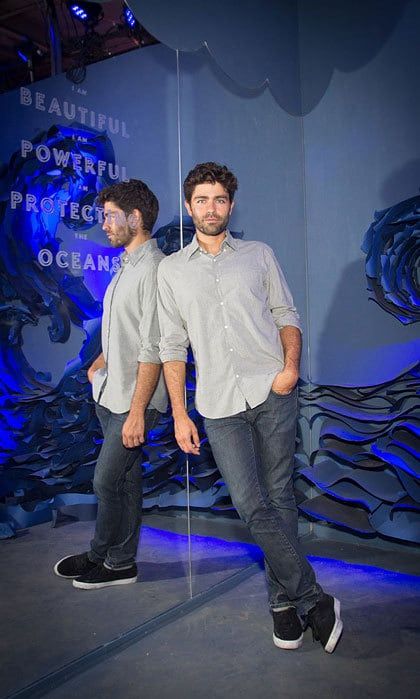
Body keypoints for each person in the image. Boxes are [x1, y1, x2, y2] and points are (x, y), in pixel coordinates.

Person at [157, 162, 343, 652]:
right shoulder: (172, 271)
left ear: (231, 205)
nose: (211, 208)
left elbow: (286, 313)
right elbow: (172, 346)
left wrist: (289, 368)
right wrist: (179, 413)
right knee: (249, 502)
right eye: (202, 200)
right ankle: (313, 597)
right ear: (188, 205)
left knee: (279, 496)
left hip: (272, 390)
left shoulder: (259, 255)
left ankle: (282, 603)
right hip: (217, 403)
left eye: (219, 199)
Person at [54, 179, 167, 589]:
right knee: (125, 480)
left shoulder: (154, 269)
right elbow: (126, 330)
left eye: (109, 216)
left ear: (135, 218)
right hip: (111, 391)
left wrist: (138, 411)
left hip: (135, 400)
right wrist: (98, 362)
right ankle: (118, 561)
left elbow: (154, 347)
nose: (103, 224)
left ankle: (105, 555)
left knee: (106, 480)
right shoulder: (126, 264)